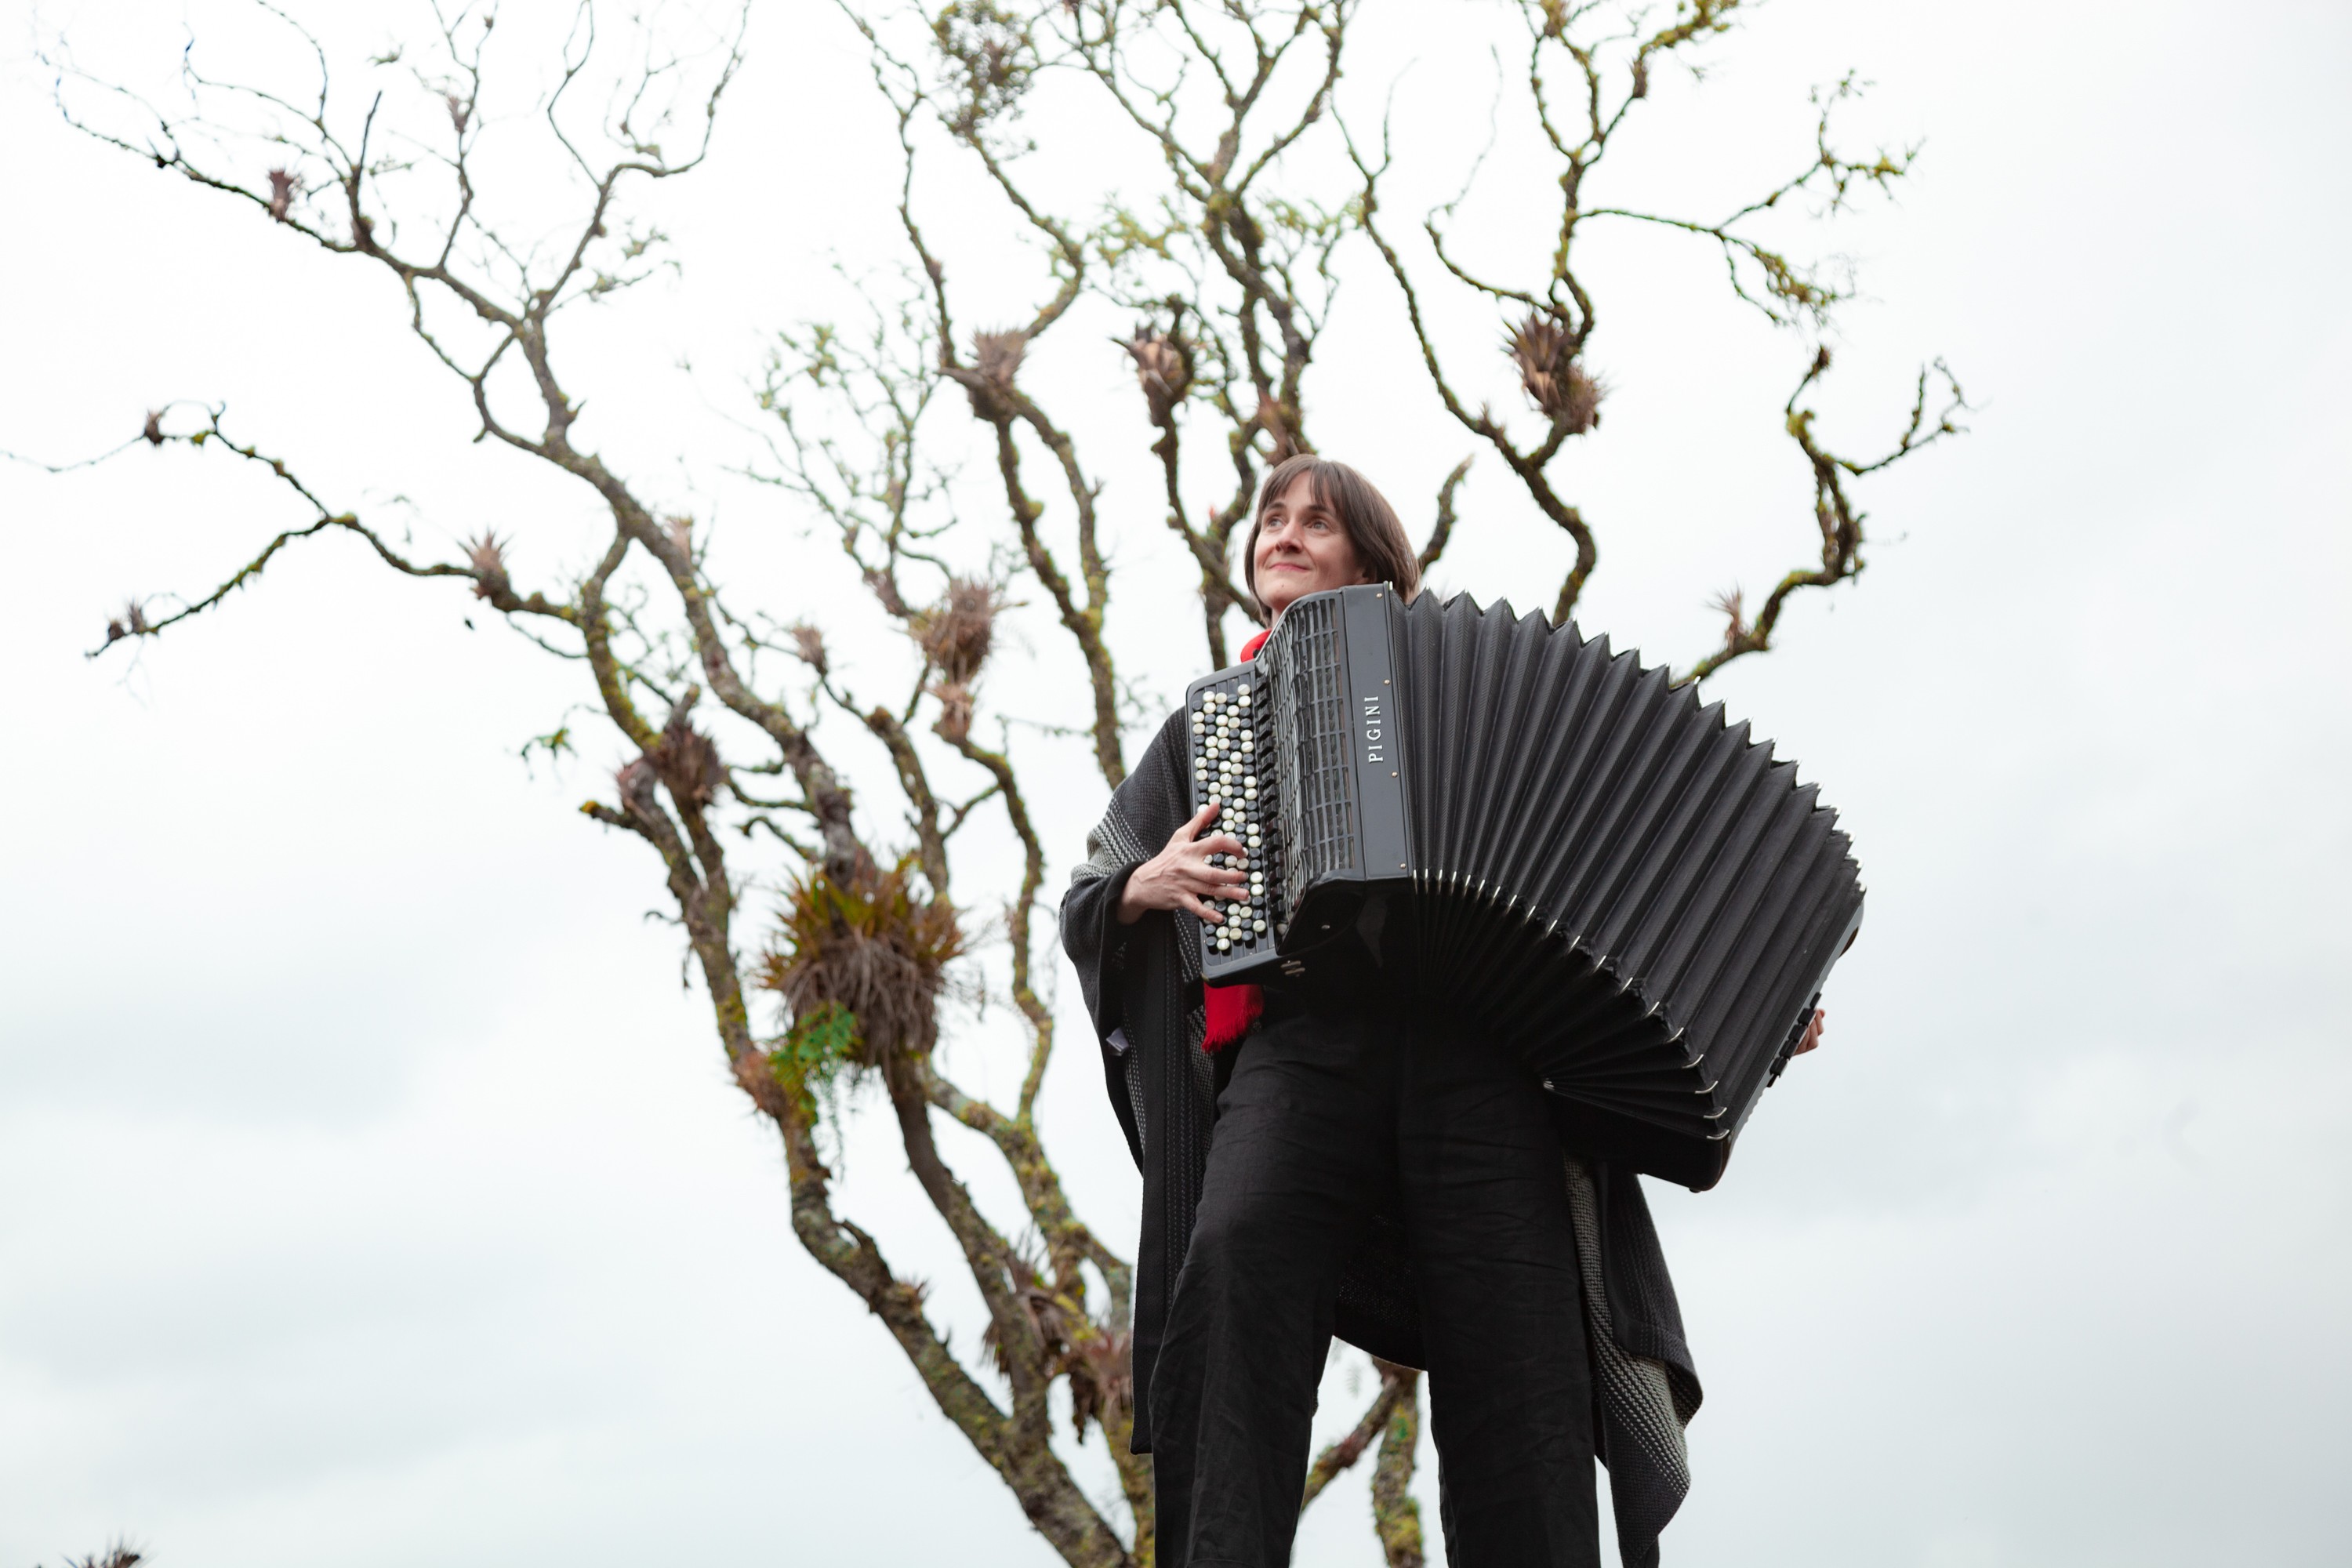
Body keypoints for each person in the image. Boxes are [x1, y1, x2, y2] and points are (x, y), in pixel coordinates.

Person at [1062, 456, 1824, 1568]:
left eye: (1316, 522)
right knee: (1232, 1266)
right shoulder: (1219, 719)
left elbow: (1653, 885)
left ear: (1371, 557)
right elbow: (1098, 886)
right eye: (1271, 518)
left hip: (1484, 1062)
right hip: (1305, 1043)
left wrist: (1764, 1013)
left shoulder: (1482, 685)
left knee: (1523, 1351)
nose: (1283, 533)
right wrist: (1147, 885)